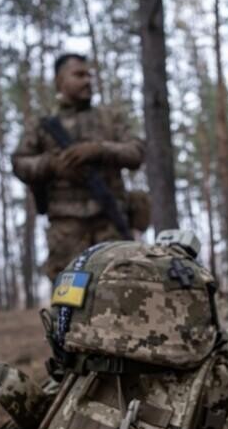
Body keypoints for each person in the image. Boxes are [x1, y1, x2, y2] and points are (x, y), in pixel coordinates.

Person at [11, 53, 145, 281]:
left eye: (89, 75)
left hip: (110, 223)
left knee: (120, 295)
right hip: (66, 230)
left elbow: (136, 152)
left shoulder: (109, 118)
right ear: (60, 81)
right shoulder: (43, 125)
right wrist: (52, 165)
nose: (87, 81)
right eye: (79, 75)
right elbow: (20, 163)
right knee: (70, 303)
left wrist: (100, 149)